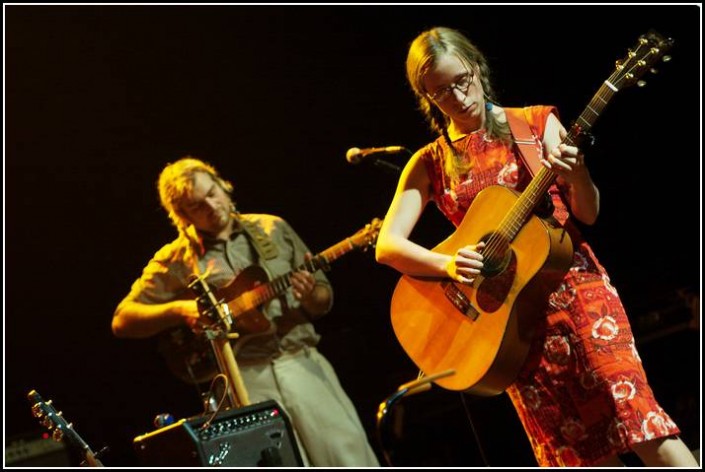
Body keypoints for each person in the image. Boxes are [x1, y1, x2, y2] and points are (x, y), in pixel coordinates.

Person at [374, 26, 698, 467]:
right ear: (427, 97)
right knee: (579, 455)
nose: (458, 96)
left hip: (577, 296)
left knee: (640, 422)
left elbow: (587, 213)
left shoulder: (533, 123)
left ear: (477, 67)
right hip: (508, 326)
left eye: (462, 80)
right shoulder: (429, 162)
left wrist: (578, 174)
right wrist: (448, 264)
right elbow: (387, 245)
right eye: (441, 92)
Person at [112, 156, 380, 467]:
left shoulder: (272, 227)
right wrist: (181, 309)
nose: (211, 206)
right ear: (182, 216)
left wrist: (310, 294)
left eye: (212, 193)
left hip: (301, 361)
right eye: (198, 205)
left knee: (348, 457)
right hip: (245, 378)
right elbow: (123, 320)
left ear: (223, 186)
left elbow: (323, 299)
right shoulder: (174, 259)